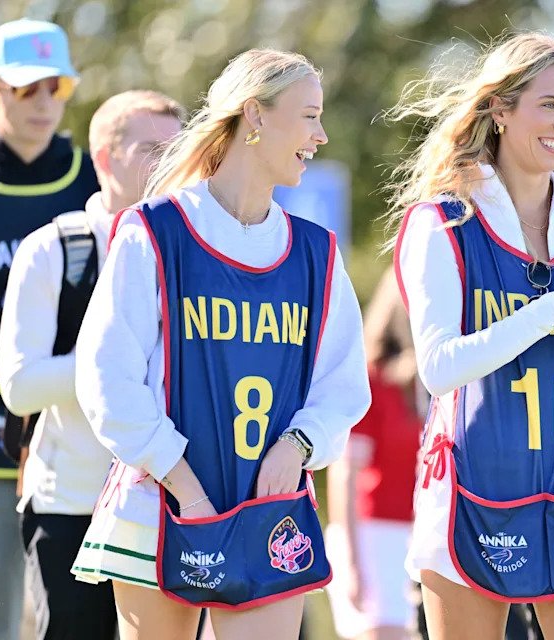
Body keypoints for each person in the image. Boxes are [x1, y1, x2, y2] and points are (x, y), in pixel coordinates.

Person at [68, 49, 371, 639]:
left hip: (270, 512)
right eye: (308, 116)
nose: (322, 134)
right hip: (159, 502)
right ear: (254, 115)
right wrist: (184, 485)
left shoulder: (316, 252)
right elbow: (107, 378)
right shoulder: (154, 230)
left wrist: (299, 445)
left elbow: (342, 384)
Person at [387, 32, 554, 640]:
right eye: (548, 104)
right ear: (500, 110)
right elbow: (440, 367)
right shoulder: (443, 220)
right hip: (472, 493)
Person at [0, 89, 184, 639]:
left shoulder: (192, 248)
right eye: (150, 150)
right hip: (70, 503)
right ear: (104, 158)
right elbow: (19, 386)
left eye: (175, 151)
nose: (166, 166)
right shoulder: (52, 248)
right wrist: (110, 362)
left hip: (169, 502)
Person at [0, 18, 97, 639]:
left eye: (55, 88)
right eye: (27, 89)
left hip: (68, 436)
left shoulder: (89, 181)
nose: (44, 104)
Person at [326, 268, 423, 640]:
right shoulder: (371, 379)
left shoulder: (431, 383)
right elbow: (344, 472)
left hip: (419, 536)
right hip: (371, 537)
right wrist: (351, 562)